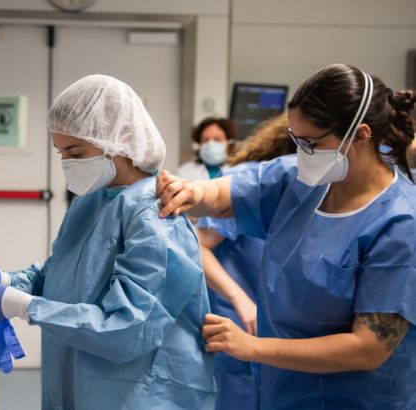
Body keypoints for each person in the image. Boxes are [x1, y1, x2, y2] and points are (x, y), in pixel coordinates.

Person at [157, 64, 416, 408]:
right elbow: (224, 195)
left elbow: (368, 349)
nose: (301, 152)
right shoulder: (300, 180)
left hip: (356, 399)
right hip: (283, 392)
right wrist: (194, 192)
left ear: (360, 135)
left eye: (311, 142)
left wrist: (255, 348)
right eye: (296, 140)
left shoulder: (400, 222)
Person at [0, 74, 217, 409]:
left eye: (76, 151)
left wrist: (23, 306)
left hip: (142, 392)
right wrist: (9, 281)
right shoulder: (90, 202)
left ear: (120, 141)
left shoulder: (156, 216)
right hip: (81, 381)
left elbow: (128, 326)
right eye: (60, 152)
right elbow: (60, 274)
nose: (66, 162)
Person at [196, 113, 295, 410]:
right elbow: (199, 245)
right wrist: (239, 298)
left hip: (284, 336)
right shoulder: (254, 183)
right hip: (242, 325)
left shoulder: (325, 191)